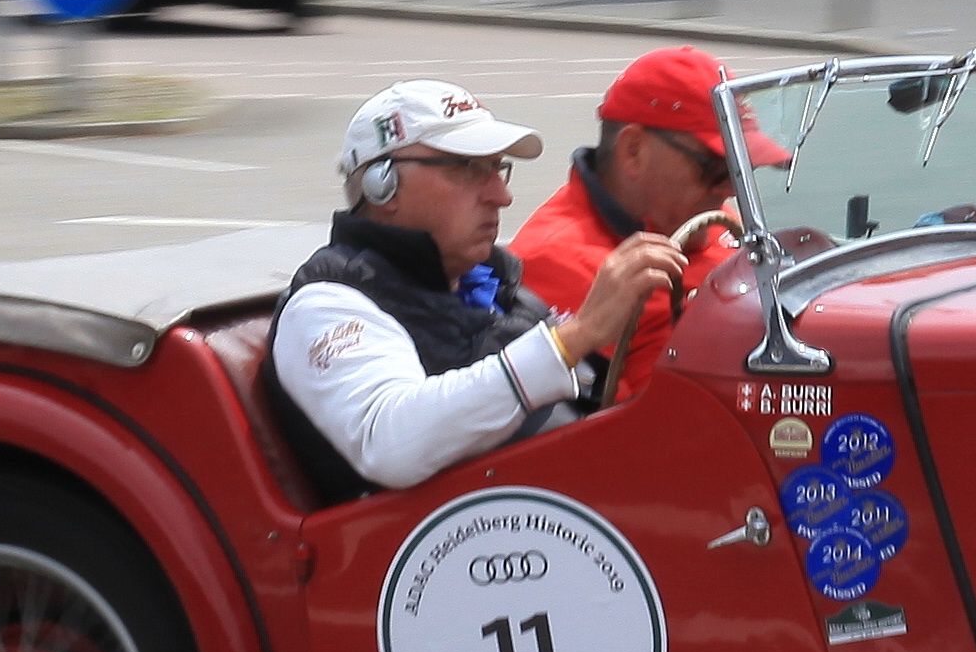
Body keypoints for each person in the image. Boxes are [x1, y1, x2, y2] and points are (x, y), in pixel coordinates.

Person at [266, 78, 687, 503]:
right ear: (383, 184)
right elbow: (390, 443)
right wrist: (574, 338)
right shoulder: (327, 302)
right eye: (468, 169)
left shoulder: (491, 282)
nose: (501, 195)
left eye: (498, 168)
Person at [510, 45, 792, 397]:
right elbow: (604, 434)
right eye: (717, 169)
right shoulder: (556, 261)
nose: (731, 191)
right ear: (634, 151)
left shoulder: (704, 220)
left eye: (741, 170)